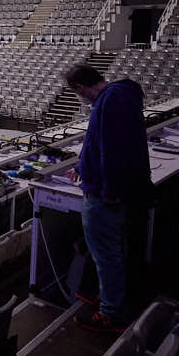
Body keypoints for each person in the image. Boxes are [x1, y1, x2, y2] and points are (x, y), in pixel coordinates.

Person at [64, 64, 151, 333]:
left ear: (80, 88)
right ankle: (110, 297)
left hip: (104, 194)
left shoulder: (110, 101)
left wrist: (110, 190)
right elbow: (100, 143)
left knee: (106, 254)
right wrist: (81, 166)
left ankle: (111, 313)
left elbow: (113, 150)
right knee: (111, 251)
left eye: (76, 92)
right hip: (110, 187)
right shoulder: (120, 95)